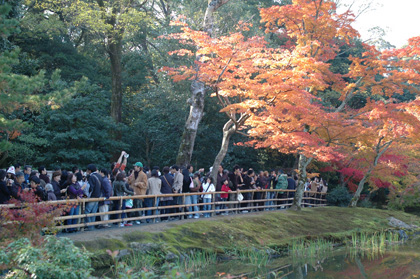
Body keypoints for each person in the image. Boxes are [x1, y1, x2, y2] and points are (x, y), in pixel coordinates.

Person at [84, 164, 102, 229]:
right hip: (98, 196)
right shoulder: (99, 176)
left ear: (90, 170)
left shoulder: (92, 177)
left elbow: (90, 188)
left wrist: (87, 195)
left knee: (87, 211)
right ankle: (92, 226)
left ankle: (89, 225)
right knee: (94, 212)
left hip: (93, 196)